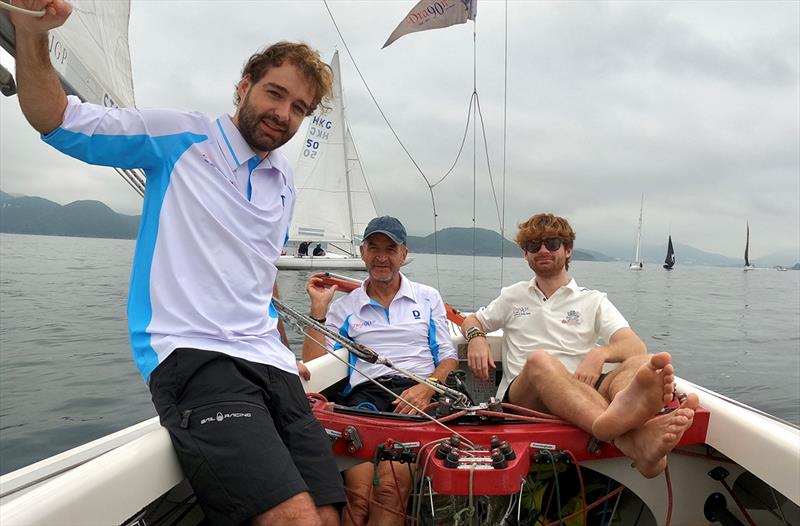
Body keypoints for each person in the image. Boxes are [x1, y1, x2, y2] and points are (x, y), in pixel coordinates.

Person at [9, 2, 344, 524]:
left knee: (329, 516)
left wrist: (279, 350)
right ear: (244, 86)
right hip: (193, 355)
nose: (284, 114)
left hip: (269, 364)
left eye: (299, 107)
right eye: (275, 94)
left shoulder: (284, 183)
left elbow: (258, 277)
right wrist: (32, 36)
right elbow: (56, 120)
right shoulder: (180, 139)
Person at [461, 213, 699, 479]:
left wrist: (601, 353)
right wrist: (476, 337)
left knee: (643, 361)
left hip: (582, 390)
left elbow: (634, 345)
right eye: (533, 245)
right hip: (526, 397)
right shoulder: (512, 296)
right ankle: (626, 438)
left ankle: (630, 420)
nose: (542, 250)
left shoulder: (593, 300)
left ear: (568, 249)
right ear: (525, 255)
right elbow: (472, 320)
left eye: (551, 243)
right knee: (541, 360)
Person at [303, 215, 458, 526]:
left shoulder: (427, 297)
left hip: (418, 396)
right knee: (357, 498)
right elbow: (314, 366)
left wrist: (427, 387)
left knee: (389, 488)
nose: (381, 257)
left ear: (403, 254)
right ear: (362, 252)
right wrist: (318, 311)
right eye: (374, 248)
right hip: (365, 400)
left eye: (391, 248)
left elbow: (448, 357)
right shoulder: (346, 306)